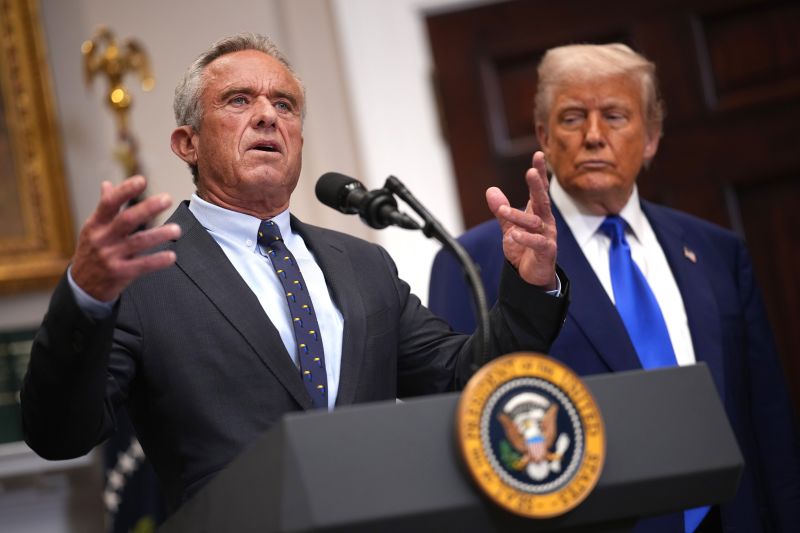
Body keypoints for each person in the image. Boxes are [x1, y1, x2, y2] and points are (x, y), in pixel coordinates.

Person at [20, 33, 568, 514]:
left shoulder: (364, 265)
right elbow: (60, 434)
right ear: (188, 143)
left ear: (299, 138)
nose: (267, 116)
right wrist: (85, 297)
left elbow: (464, 380)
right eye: (239, 100)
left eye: (284, 105)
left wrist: (533, 285)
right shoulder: (143, 275)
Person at [428, 43, 800, 532]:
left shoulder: (716, 252)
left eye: (615, 116)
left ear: (651, 138)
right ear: (543, 137)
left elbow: (768, 418)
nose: (593, 136)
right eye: (572, 118)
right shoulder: (475, 261)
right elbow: (463, 436)